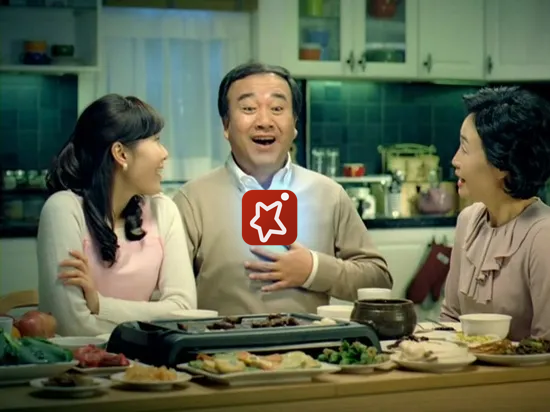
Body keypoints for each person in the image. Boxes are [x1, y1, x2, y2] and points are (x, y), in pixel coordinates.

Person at [172, 62, 392, 315]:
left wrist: (314, 270)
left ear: (294, 123)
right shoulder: (192, 200)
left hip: (310, 340)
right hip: (221, 341)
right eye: (248, 108)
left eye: (277, 108)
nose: (264, 121)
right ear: (225, 125)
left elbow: (378, 280)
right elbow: (166, 297)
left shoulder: (329, 194)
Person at [37, 94, 197, 337]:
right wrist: (154, 322)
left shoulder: (164, 210)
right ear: (121, 154)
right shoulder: (63, 210)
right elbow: (71, 326)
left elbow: (185, 311)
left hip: (148, 359)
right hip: (83, 360)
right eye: (156, 140)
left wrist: (100, 306)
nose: (165, 153)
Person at [440, 86, 550, 341]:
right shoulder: (468, 221)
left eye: (464, 148)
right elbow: (450, 317)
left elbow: (546, 347)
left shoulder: (543, 236)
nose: (455, 160)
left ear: (501, 165)